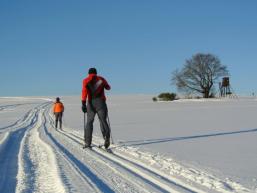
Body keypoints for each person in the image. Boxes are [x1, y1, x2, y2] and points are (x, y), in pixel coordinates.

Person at [81, 68, 111, 149]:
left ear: (89, 73)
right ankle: (106, 138)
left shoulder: (85, 80)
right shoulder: (101, 79)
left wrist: (83, 103)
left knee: (89, 122)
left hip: (91, 103)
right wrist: (104, 85)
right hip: (101, 102)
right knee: (103, 120)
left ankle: (87, 142)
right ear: (96, 73)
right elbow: (108, 88)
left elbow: (84, 91)